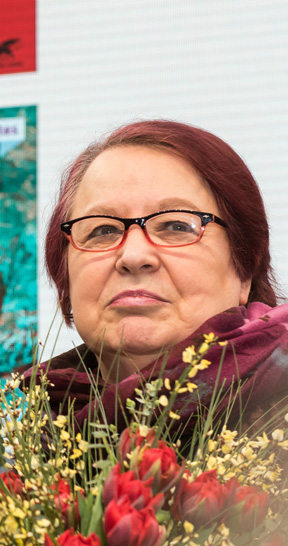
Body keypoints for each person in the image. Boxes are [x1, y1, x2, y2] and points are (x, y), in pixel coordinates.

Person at [40, 120, 288, 434]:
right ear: (64, 277)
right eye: (102, 230)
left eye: (176, 226)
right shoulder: (30, 440)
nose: (133, 256)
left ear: (245, 269)